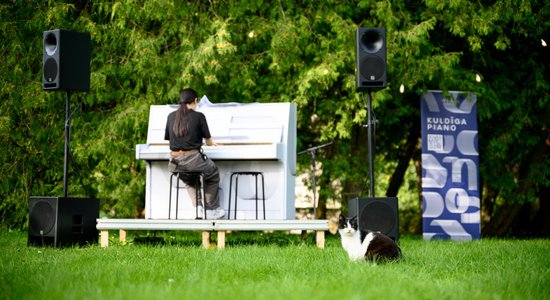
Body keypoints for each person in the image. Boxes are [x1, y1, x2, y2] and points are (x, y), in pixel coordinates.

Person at [164, 88, 225, 219]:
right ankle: (211, 209)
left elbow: (171, 140)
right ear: (195, 100)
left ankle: (198, 208)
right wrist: (211, 143)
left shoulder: (171, 116)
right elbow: (209, 142)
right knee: (212, 173)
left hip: (174, 162)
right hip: (193, 160)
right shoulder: (199, 116)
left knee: (189, 177)